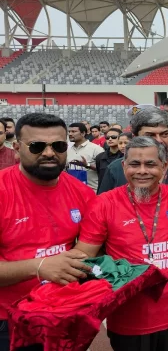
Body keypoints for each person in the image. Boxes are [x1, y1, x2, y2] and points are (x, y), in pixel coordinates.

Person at [75, 137, 168, 351]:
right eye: (134, 164)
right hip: (129, 317)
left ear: (165, 166)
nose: (142, 171)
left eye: (150, 164)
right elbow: (84, 256)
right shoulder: (104, 203)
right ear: (123, 166)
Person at [0, 113, 95, 351]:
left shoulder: (82, 193)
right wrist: (39, 267)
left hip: (63, 314)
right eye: (37, 146)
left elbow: (92, 248)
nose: (49, 153)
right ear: (17, 148)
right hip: (8, 319)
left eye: (58, 146)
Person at [97, 107, 168, 194]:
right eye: (150, 135)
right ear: (135, 137)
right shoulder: (115, 169)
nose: (159, 140)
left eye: (164, 134)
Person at [66, 122, 104, 190]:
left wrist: (87, 165)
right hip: (72, 190)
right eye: (69, 132)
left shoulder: (96, 149)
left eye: (73, 131)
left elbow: (104, 170)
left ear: (83, 133)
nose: (70, 134)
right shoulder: (67, 150)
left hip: (91, 190)